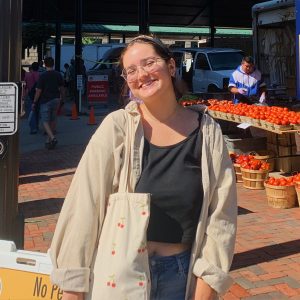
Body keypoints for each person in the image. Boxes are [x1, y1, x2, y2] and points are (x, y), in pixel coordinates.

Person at [50, 35, 237, 300]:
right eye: (131, 70)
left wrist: (208, 283)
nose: (141, 74)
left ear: (171, 66)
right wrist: (73, 284)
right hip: (118, 275)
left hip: (180, 276)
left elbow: (222, 215)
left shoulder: (207, 132)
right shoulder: (117, 127)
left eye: (149, 63)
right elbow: (84, 204)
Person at [32, 57, 64, 149]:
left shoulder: (43, 76)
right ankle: (48, 140)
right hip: (56, 99)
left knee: (45, 121)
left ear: (45, 64)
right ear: (53, 64)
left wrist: (34, 101)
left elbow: (38, 90)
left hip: (45, 100)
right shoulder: (58, 74)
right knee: (53, 119)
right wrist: (63, 99)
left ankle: (53, 138)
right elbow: (62, 88)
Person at [24, 62, 40, 133]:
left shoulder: (27, 75)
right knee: (37, 111)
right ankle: (36, 126)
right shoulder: (39, 75)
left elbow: (25, 85)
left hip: (30, 94)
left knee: (31, 111)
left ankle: (33, 128)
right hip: (38, 95)